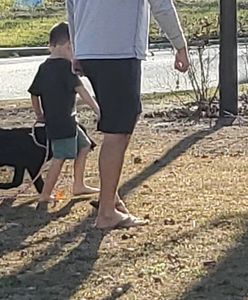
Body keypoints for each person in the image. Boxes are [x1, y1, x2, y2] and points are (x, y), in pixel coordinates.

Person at [66, 0, 191, 229]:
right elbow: (161, 4)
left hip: (90, 49)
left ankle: (110, 198)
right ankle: (106, 213)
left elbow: (71, 6)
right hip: (118, 51)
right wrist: (180, 45)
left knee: (121, 122)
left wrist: (77, 48)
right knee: (118, 131)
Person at [28, 21, 102, 207]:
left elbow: (34, 94)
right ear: (67, 46)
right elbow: (82, 91)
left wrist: (39, 114)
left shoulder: (43, 68)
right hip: (64, 124)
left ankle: (78, 185)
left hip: (64, 122)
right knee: (60, 158)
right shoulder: (65, 68)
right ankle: (45, 195)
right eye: (72, 49)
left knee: (84, 146)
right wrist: (98, 110)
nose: (73, 54)